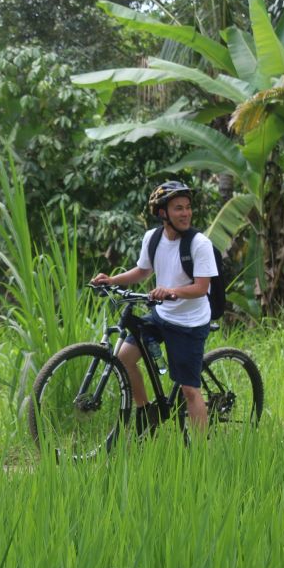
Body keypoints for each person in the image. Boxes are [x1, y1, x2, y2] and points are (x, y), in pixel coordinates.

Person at [91, 181, 217, 432]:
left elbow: (202, 288)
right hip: (162, 315)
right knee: (124, 359)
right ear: (163, 213)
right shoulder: (153, 238)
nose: (186, 213)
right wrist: (111, 280)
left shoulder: (199, 244)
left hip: (190, 323)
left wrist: (172, 290)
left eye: (188, 207)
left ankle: (204, 456)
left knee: (189, 390)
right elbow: (142, 271)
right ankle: (147, 411)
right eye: (178, 208)